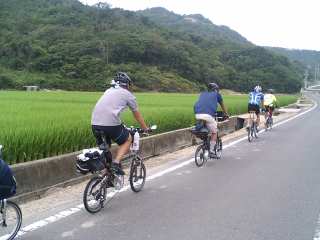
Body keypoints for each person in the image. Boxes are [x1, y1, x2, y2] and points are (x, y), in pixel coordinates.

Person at [91, 72, 149, 175]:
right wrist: (145, 129)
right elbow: (137, 115)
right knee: (127, 139)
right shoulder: (128, 95)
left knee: (105, 148)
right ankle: (116, 163)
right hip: (111, 124)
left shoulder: (108, 90)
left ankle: (106, 176)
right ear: (127, 84)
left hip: (95, 124)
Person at [193, 83, 228, 153]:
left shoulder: (202, 94)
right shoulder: (217, 94)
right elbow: (222, 105)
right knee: (214, 132)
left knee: (205, 126)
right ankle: (211, 150)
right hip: (208, 115)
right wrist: (226, 114)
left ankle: (205, 142)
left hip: (197, 114)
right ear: (215, 89)